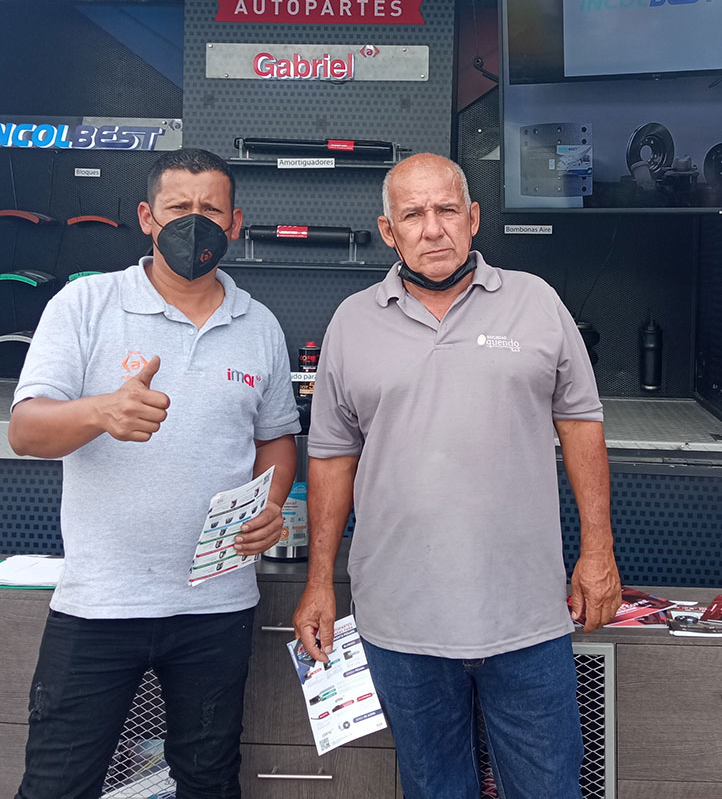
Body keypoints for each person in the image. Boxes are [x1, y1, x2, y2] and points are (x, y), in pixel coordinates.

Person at [293, 152, 622, 799]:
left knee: (549, 789)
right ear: (388, 231)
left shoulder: (536, 302)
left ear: (472, 218)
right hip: (399, 620)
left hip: (525, 615)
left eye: (446, 210)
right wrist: (319, 583)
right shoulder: (352, 323)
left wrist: (598, 551)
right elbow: (331, 456)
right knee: (435, 789)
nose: (432, 228)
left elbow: (581, 423)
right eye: (413, 214)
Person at [9, 147, 300, 799]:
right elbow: (26, 430)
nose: (194, 223)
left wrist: (272, 502)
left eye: (210, 210)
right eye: (178, 208)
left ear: (234, 222)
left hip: (216, 607)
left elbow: (277, 438)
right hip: (100, 602)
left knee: (208, 781)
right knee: (58, 783)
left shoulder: (259, 325)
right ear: (146, 217)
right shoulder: (86, 304)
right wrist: (101, 411)